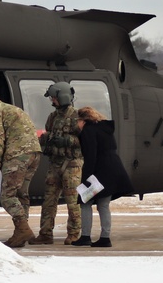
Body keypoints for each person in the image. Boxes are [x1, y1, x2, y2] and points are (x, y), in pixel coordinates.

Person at [0, 93, 42, 248]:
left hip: (17, 155)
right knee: (21, 194)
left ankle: (23, 229)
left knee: (7, 196)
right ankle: (20, 233)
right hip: (34, 153)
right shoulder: (10, 108)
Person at [71, 106, 134, 248]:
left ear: (83, 120)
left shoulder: (88, 131)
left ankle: (86, 236)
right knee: (103, 205)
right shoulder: (104, 129)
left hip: (100, 171)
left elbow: (90, 155)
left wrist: (86, 178)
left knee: (85, 202)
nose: (77, 125)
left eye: (77, 121)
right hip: (113, 168)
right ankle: (105, 237)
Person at [32, 83, 83, 245]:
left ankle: (74, 233)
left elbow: (85, 140)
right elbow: (48, 133)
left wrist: (67, 140)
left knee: (72, 200)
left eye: (54, 97)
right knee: (48, 200)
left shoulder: (77, 117)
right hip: (55, 163)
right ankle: (45, 233)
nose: (52, 101)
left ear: (63, 97)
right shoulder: (52, 117)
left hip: (72, 164)